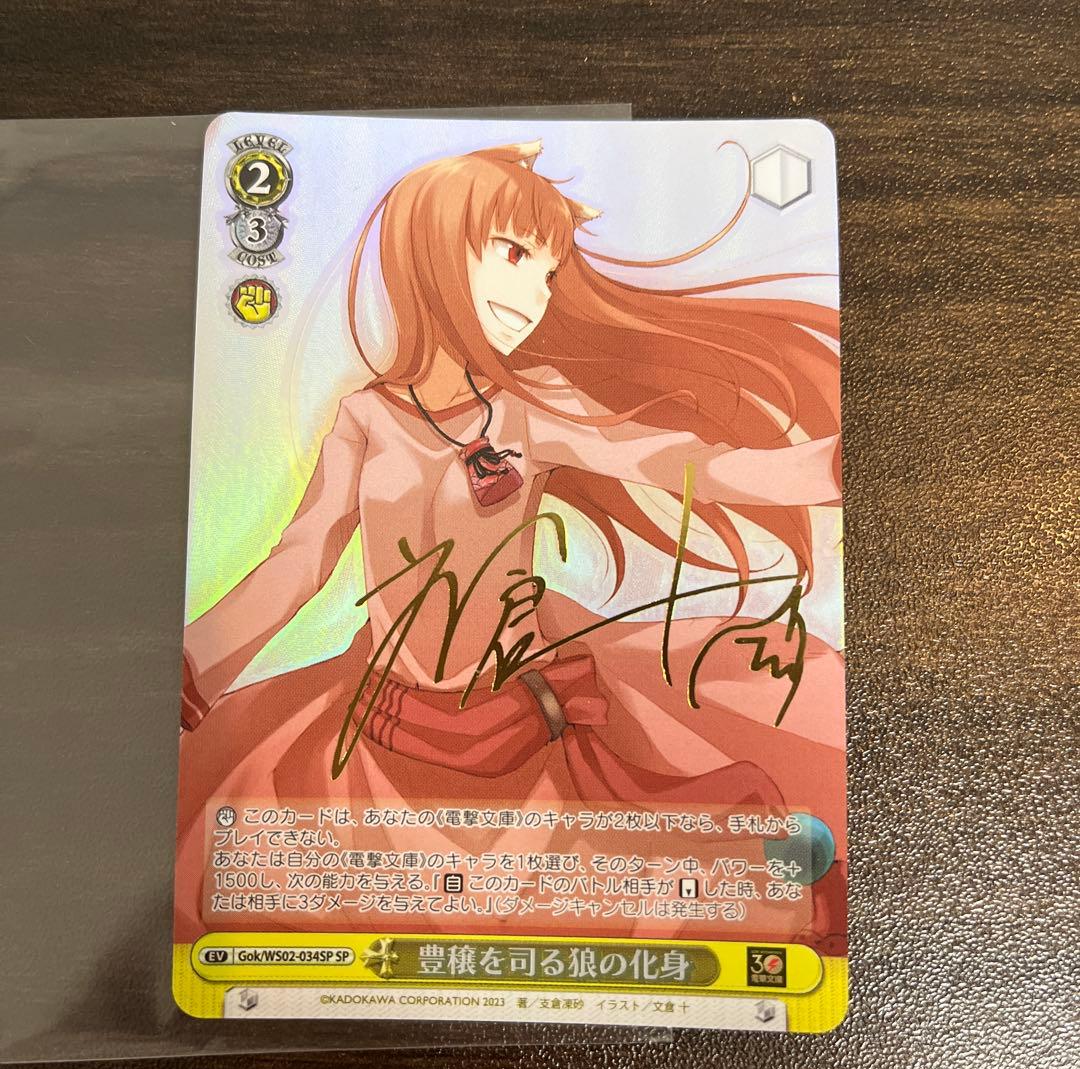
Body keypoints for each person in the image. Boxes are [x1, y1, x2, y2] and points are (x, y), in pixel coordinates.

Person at [175, 139, 846, 954]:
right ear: (429, 250)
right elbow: (303, 559)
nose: (534, 296)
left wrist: (825, 467)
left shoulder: (530, 409)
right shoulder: (365, 418)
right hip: (390, 718)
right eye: (515, 255)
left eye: (551, 273)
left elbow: (679, 462)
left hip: (523, 716)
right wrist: (194, 666)